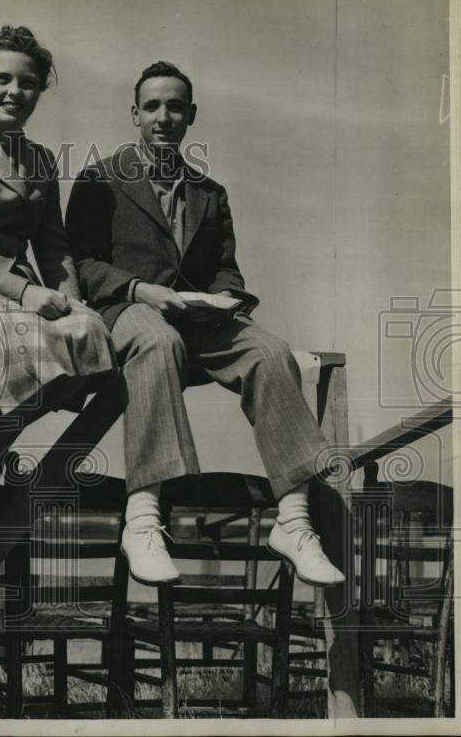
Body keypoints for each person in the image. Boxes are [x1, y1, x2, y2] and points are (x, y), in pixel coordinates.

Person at [65, 61, 344, 587]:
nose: (163, 117)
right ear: (134, 114)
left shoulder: (209, 192)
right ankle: (144, 520)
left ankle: (295, 523)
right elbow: (82, 264)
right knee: (156, 341)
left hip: (197, 319)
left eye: (175, 107)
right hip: (127, 311)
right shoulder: (99, 178)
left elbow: (225, 267)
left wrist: (225, 299)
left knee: (270, 351)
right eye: (152, 107)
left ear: (191, 115)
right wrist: (138, 290)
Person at [0, 25, 116, 532]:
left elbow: (53, 247)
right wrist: (25, 291)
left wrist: (72, 300)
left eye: (27, 82)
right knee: (9, 344)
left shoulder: (41, 161)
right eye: (2, 79)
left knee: (90, 335)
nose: (14, 92)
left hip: (26, 293)